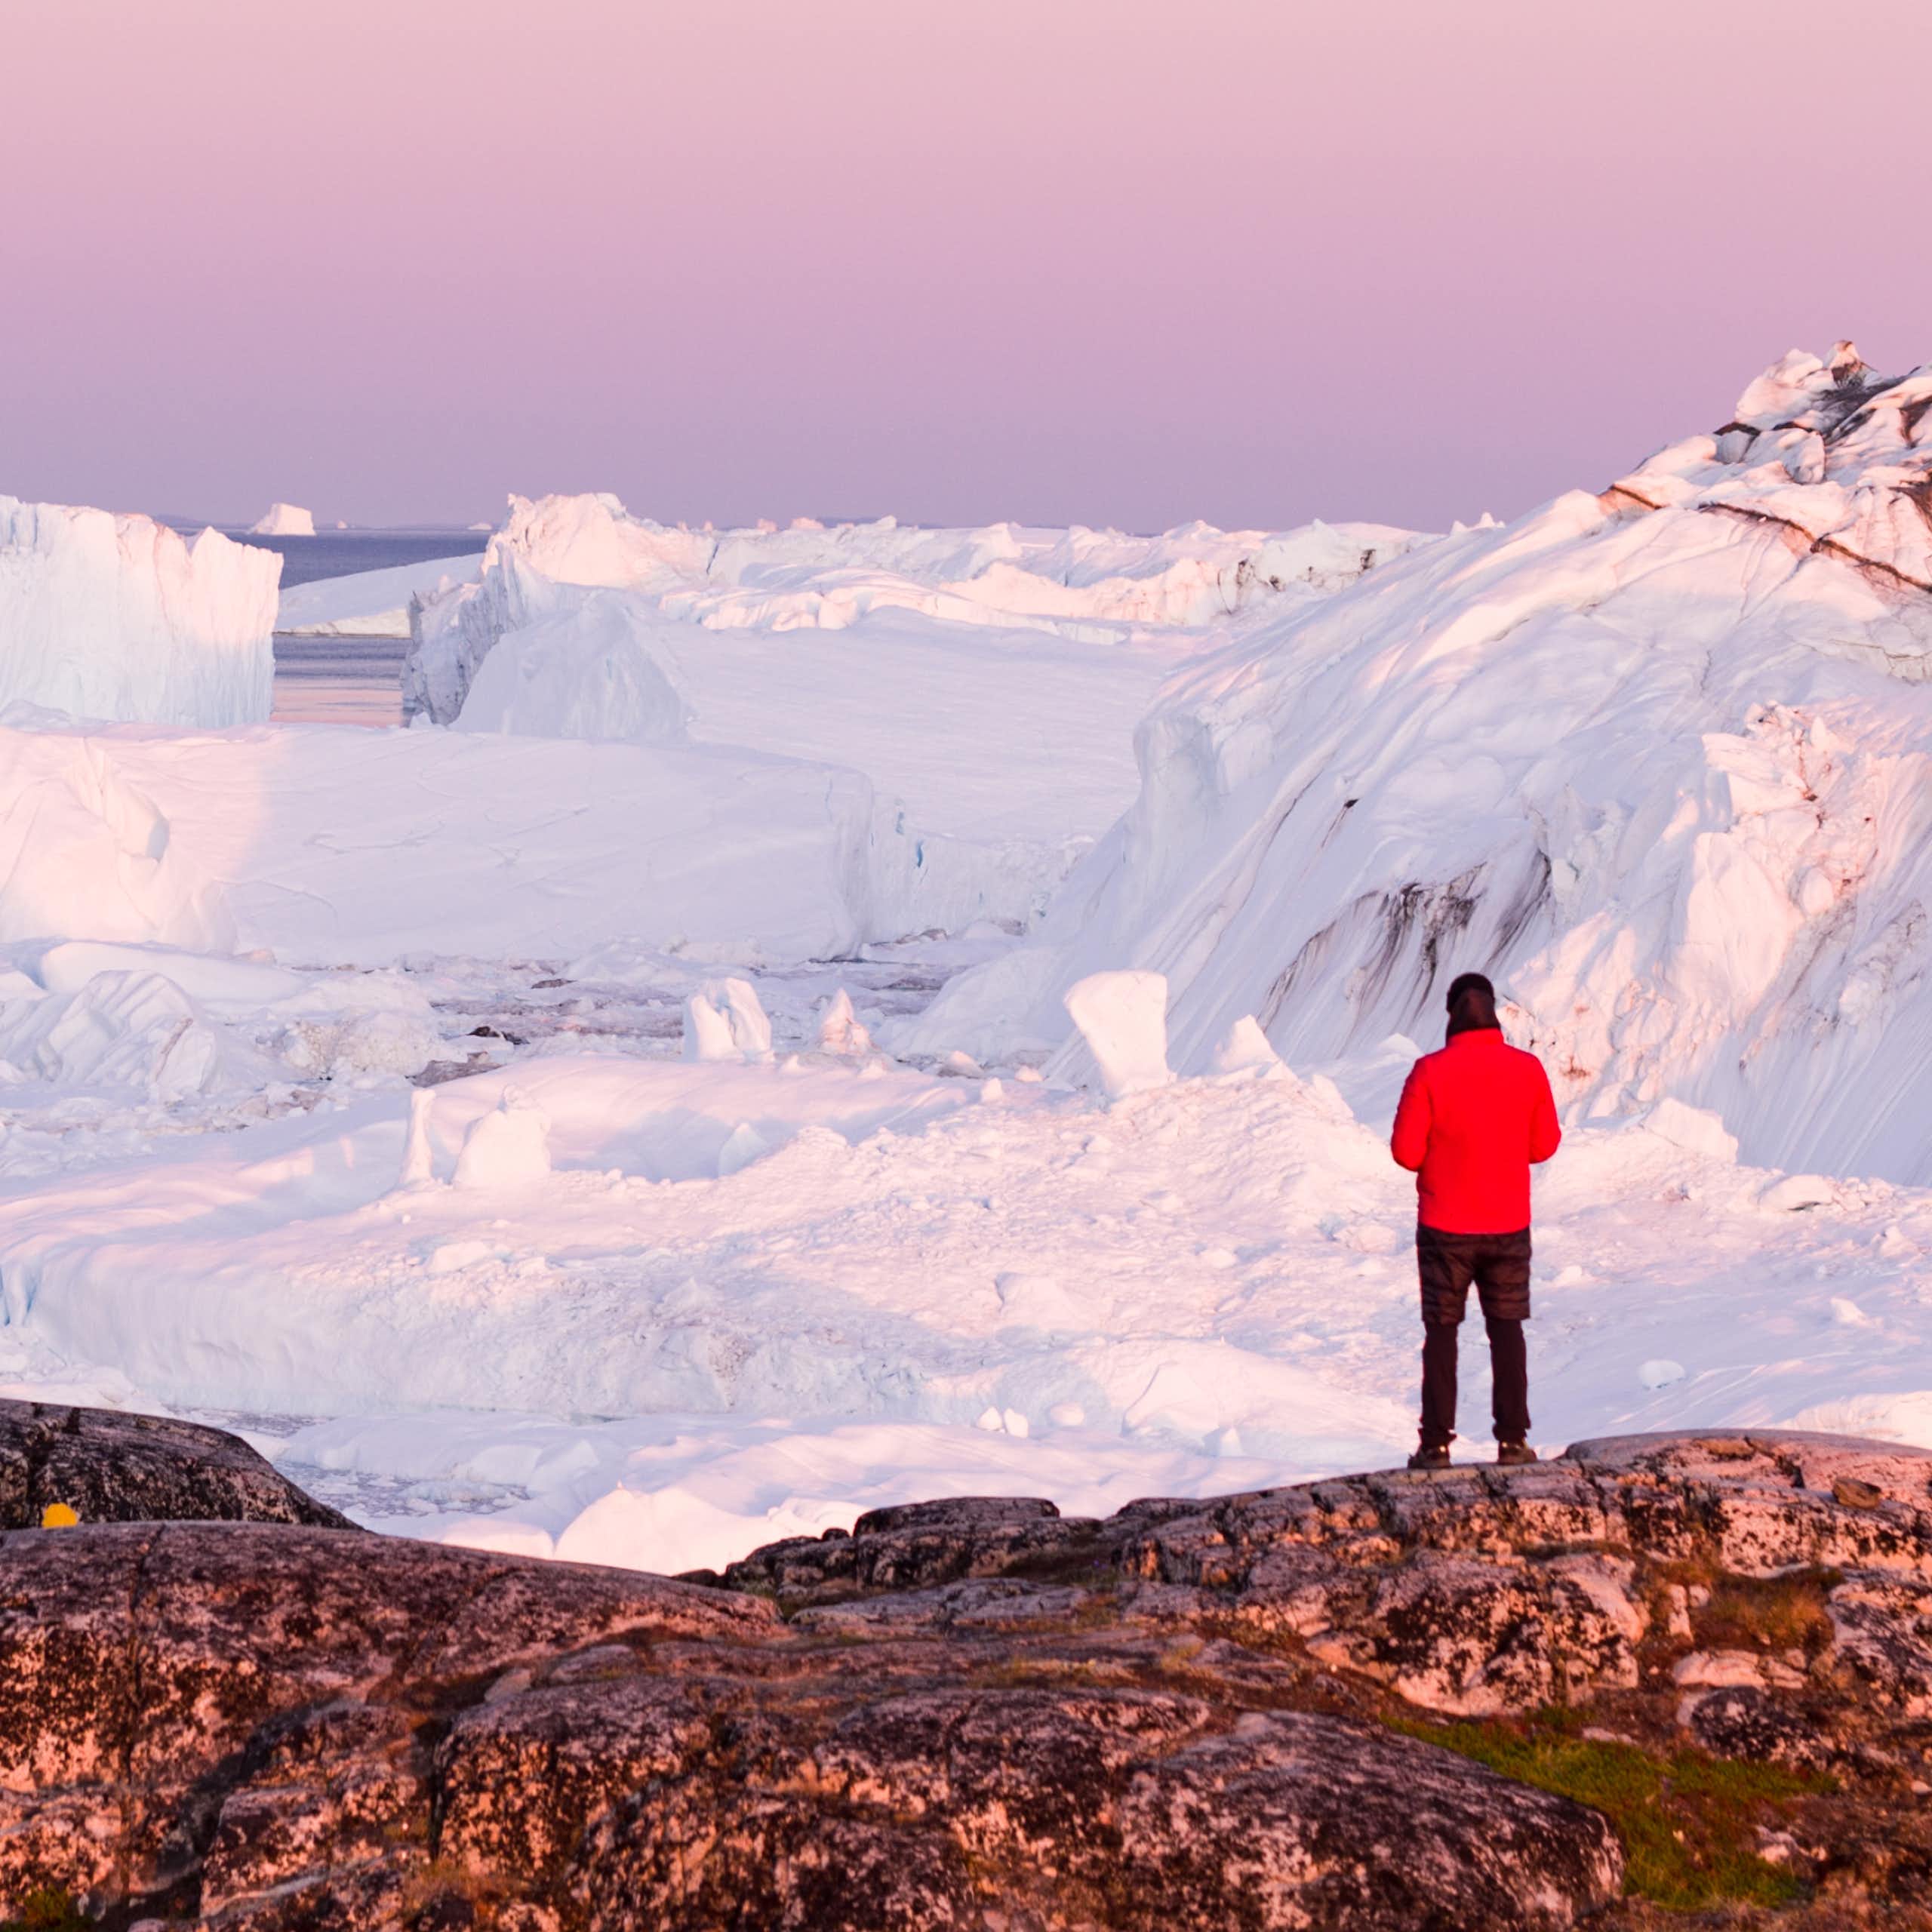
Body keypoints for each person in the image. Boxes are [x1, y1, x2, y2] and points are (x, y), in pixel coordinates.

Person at [1389, 971, 1561, 1470]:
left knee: (1442, 1334)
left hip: (1444, 1228)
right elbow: (1544, 1145)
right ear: (1495, 1015)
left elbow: (1405, 1152)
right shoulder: (1526, 1070)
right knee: (1507, 1329)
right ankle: (1512, 1442)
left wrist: (1444, 1156)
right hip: (1508, 1224)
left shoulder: (1429, 1071)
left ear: (1451, 1016)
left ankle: (1435, 1445)